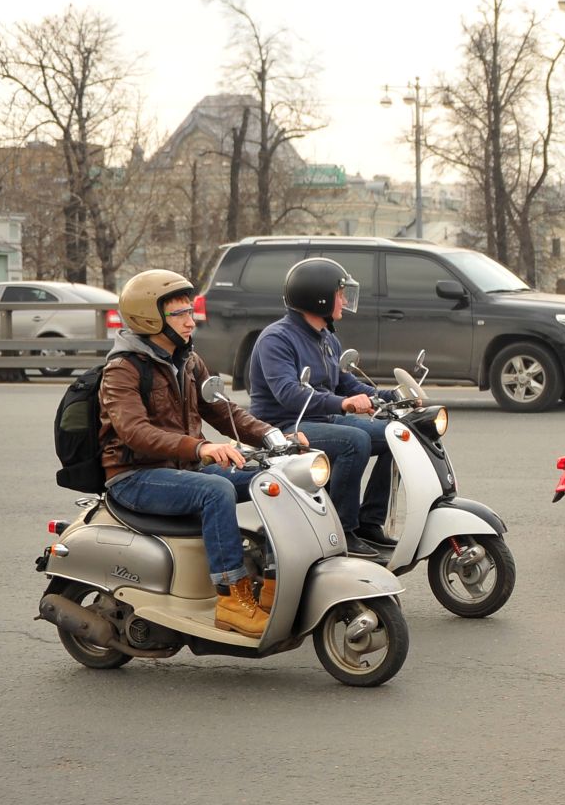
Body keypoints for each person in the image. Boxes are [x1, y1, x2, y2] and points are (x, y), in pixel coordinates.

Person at [99, 269, 300, 636]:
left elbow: (223, 410)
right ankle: (230, 597)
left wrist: (272, 435)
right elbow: (135, 432)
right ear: (150, 316)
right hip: (135, 477)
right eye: (179, 314)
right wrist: (202, 447)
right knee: (216, 490)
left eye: (191, 312)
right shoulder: (122, 370)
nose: (191, 321)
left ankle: (273, 578)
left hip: (182, 471)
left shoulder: (188, 361)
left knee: (274, 478)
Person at [246, 258, 393, 556]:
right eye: (340, 293)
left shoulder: (327, 338)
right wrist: (344, 404)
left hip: (321, 419)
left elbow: (345, 383)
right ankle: (342, 530)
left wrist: (387, 397)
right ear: (319, 296)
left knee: (394, 435)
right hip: (284, 427)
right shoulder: (276, 339)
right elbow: (289, 393)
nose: (344, 299)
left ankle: (369, 521)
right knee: (355, 441)